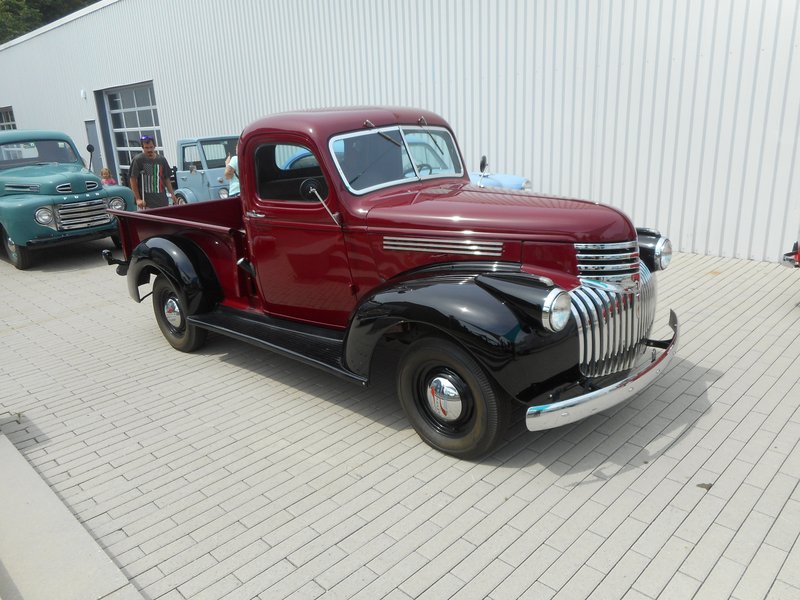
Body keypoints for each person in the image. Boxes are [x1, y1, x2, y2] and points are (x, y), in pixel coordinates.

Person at [129, 135, 178, 209]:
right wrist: (138, 199)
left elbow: (167, 178)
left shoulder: (162, 160)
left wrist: (172, 194)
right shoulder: (138, 160)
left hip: (162, 200)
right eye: (146, 148)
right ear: (142, 148)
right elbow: (133, 179)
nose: (149, 150)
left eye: (151, 147)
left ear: (154, 146)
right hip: (146, 202)